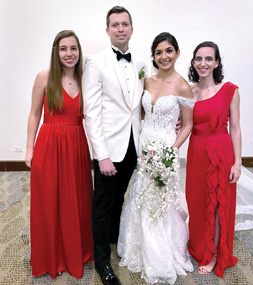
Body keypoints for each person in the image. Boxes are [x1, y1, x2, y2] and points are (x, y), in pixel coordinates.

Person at [117, 32, 194, 285]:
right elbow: (136, 113)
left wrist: (171, 151)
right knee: (140, 193)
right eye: (159, 52)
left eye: (169, 51)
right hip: (144, 145)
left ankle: (162, 251)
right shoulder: (146, 81)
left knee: (162, 199)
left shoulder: (183, 86)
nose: (164, 56)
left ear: (177, 53)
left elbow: (187, 125)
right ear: (153, 56)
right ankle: (137, 244)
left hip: (166, 150)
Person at [82, 6, 146, 285]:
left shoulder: (142, 62)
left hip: (133, 144)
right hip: (108, 148)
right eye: (115, 25)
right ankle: (102, 262)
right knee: (103, 204)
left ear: (132, 28)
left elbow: (142, 104)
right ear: (107, 30)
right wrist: (102, 155)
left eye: (125, 24)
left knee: (120, 198)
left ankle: (113, 240)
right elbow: (91, 112)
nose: (120, 28)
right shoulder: (94, 62)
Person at [25, 30, 94, 279]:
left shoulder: (86, 79)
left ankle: (75, 253)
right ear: (56, 52)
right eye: (63, 48)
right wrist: (29, 148)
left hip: (76, 146)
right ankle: (50, 256)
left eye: (73, 48)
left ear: (79, 51)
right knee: (49, 202)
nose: (69, 54)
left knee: (75, 201)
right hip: (49, 144)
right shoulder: (44, 77)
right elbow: (34, 114)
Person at [186, 41, 242, 277]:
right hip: (197, 152)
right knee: (198, 202)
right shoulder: (189, 91)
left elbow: (236, 128)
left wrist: (238, 162)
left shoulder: (230, 90)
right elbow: (185, 122)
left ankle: (214, 254)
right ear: (193, 62)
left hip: (221, 151)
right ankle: (201, 247)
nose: (203, 63)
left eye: (209, 59)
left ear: (217, 62)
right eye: (199, 59)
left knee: (219, 206)